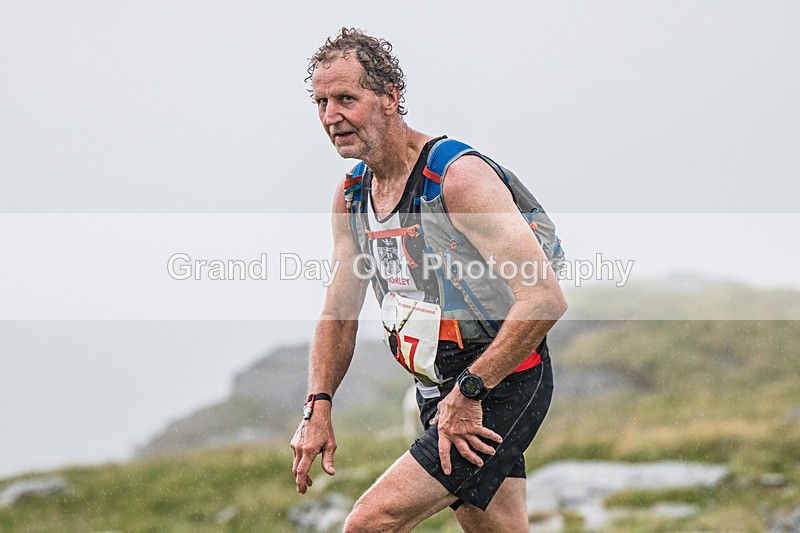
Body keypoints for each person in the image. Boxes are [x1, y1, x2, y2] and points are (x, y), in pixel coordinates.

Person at [291, 27, 568, 532]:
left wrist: (470, 390)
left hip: (498, 380)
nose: (331, 116)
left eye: (346, 99)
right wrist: (318, 404)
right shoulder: (353, 195)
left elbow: (544, 298)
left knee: (369, 523)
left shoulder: (458, 180)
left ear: (391, 99)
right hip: (438, 386)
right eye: (321, 101)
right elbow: (338, 315)